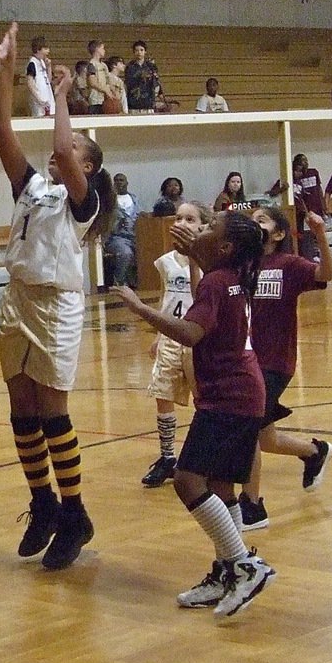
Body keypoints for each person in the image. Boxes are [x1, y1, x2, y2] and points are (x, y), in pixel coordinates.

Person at [0, 21, 117, 571]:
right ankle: (42, 502)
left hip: (57, 303)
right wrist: (7, 70)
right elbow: (2, 134)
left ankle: (75, 512)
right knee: (21, 410)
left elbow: (62, 145)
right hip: (16, 297)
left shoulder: (80, 201)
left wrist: (63, 95)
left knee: (52, 413)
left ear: (86, 167)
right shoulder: (31, 187)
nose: (61, 153)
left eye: (76, 153)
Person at [112, 211, 275, 620]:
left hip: (229, 398)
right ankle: (226, 573)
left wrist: (139, 307)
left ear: (223, 247)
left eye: (206, 228)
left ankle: (243, 566)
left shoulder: (218, 282)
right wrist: (195, 256)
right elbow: (210, 288)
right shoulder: (228, 274)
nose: (197, 230)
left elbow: (189, 332)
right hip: (242, 394)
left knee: (187, 480)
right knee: (220, 487)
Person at [237, 206, 332, 530]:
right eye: (251, 221)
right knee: (263, 438)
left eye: (262, 220)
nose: (255, 225)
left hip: (276, 361)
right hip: (246, 359)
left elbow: (325, 275)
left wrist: (319, 234)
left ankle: (251, 506)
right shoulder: (242, 266)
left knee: (247, 429)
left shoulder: (288, 265)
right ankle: (312, 452)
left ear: (278, 233)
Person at [138, 200, 210, 488]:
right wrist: (157, 334)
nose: (181, 223)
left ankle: (203, 456)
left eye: (189, 219)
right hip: (171, 335)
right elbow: (166, 297)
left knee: (202, 399)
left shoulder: (210, 260)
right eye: (178, 218)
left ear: (204, 226)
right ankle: (167, 456)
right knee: (162, 394)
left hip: (196, 336)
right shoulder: (166, 261)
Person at [268, 154, 325, 261]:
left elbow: (301, 198)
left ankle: (303, 254)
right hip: (288, 212)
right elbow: (271, 193)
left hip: (300, 213)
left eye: (301, 171)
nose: (298, 173)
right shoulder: (284, 180)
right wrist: (281, 189)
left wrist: (306, 211)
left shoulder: (300, 182)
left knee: (300, 234)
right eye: (297, 171)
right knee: (289, 234)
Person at [104, 172, 140, 287]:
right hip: (117, 237)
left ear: (127, 183)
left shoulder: (134, 198)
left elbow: (140, 215)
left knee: (147, 251)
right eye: (116, 180)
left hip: (135, 236)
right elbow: (105, 220)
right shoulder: (110, 200)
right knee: (126, 253)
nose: (119, 183)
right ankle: (118, 282)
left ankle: (138, 282)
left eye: (121, 180)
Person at [125, 40, 162, 114]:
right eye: (137, 50)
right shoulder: (130, 66)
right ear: (134, 52)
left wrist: (159, 95)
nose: (139, 52)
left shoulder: (150, 66)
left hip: (148, 102)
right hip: (134, 102)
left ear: (145, 51)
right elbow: (129, 83)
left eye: (141, 50)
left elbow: (156, 82)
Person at [25, 35, 55, 117]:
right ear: (38, 50)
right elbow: (30, 83)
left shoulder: (42, 62)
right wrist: (38, 99)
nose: (48, 51)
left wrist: (49, 67)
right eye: (45, 49)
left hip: (47, 98)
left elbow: (48, 81)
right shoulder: (32, 63)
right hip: (39, 101)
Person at [85, 39, 109, 115]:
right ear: (97, 49)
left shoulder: (103, 65)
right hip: (95, 99)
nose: (104, 50)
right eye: (102, 48)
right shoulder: (92, 64)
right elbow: (92, 82)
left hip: (104, 99)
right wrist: (105, 90)